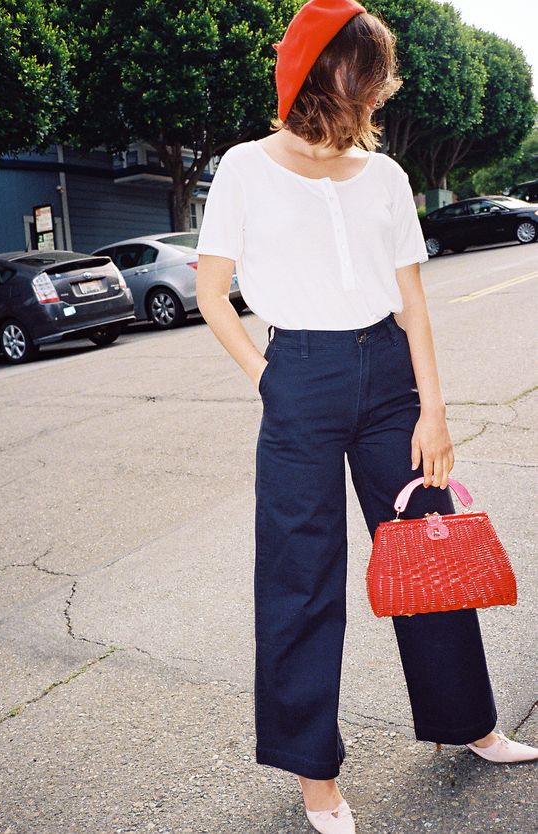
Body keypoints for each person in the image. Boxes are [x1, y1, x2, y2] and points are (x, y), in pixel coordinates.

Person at [195, 2, 538, 831]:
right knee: (300, 578)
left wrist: (436, 411)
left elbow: (414, 304)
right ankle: (315, 773)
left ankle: (470, 723)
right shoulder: (245, 165)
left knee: (429, 550)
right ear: (332, 72)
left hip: (388, 374)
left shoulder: (385, 177)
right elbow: (212, 291)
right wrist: (267, 376)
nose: (383, 87)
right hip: (298, 376)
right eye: (373, 70)